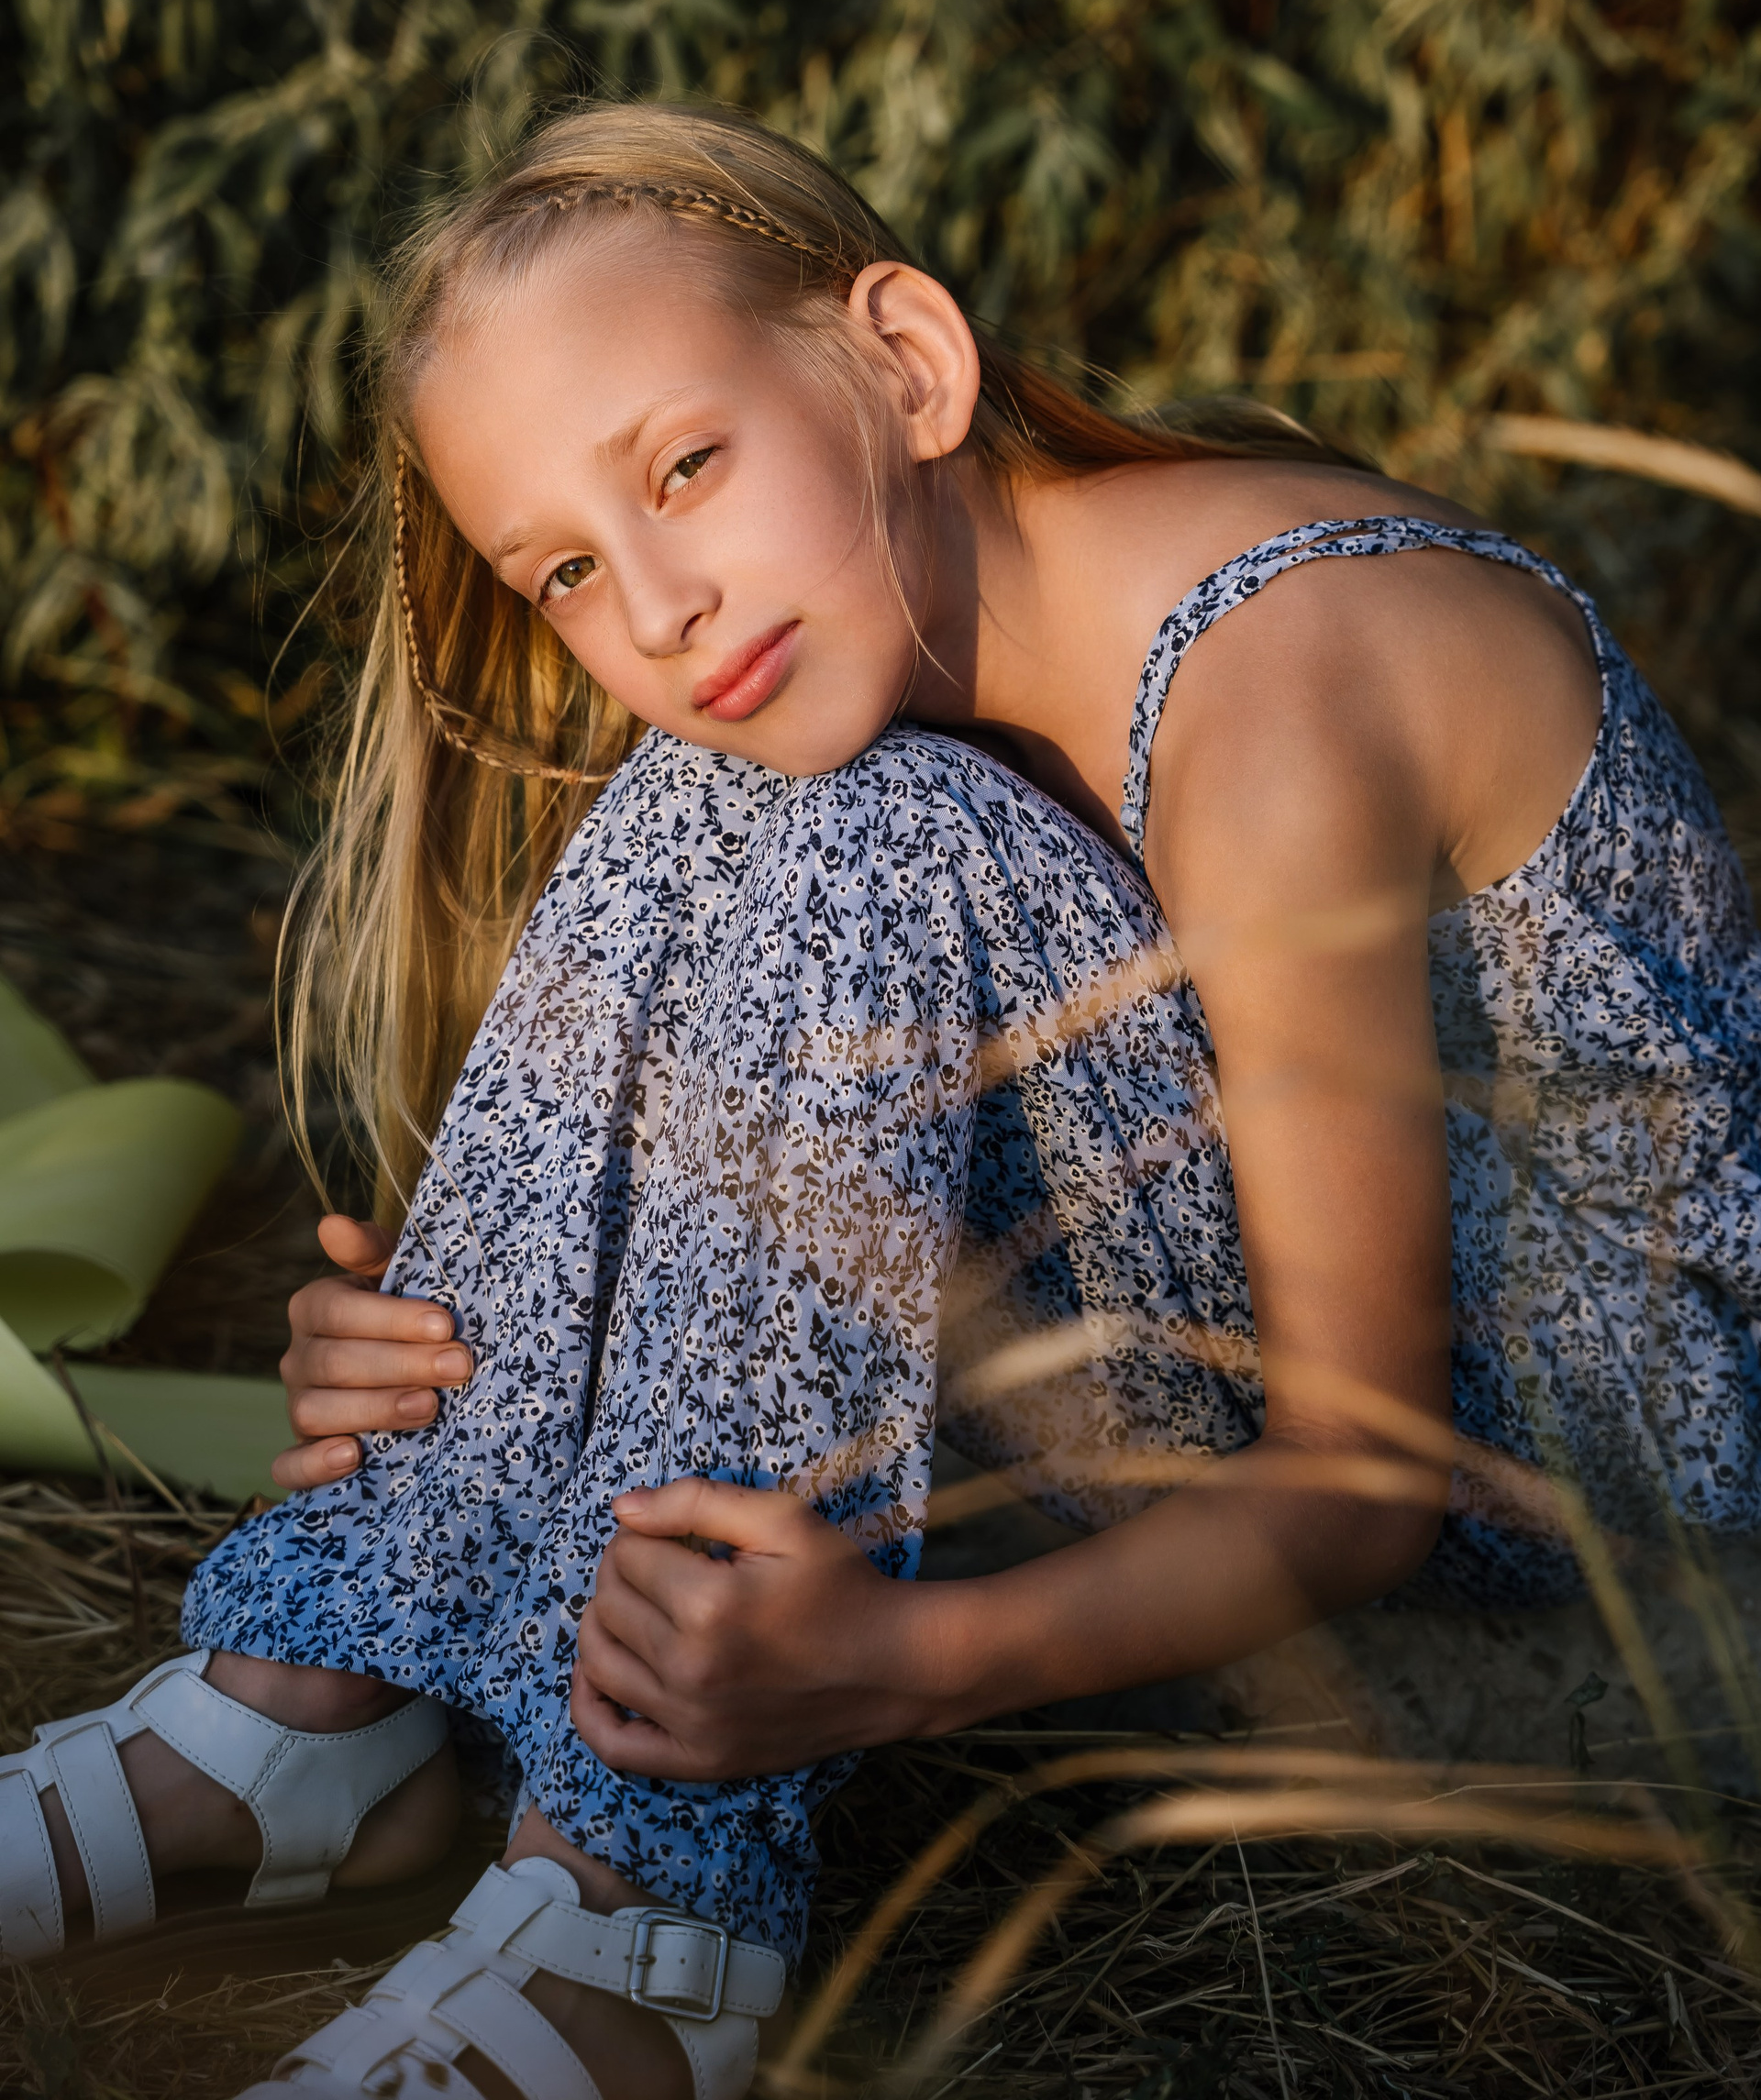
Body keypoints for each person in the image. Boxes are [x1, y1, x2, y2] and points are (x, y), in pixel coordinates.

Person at [5, 103, 1758, 2100]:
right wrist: (483, 1362)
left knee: (867, 830)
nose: (653, 606)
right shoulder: (894, 670)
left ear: (908, 362)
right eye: (564, 568)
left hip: (1591, 1484)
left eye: (686, 465)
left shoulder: (1277, 694)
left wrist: (906, 1666)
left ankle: (641, 1930)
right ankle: (312, 1700)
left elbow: (1367, 1474)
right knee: (755, 803)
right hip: (1299, 1399)